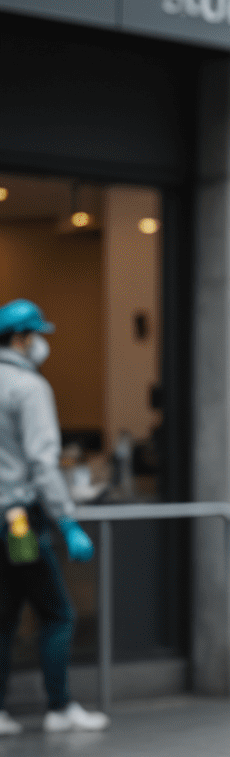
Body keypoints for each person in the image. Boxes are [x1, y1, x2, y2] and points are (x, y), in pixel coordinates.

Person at [0, 298, 109, 735]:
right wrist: (67, 521)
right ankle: (60, 707)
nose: (42, 344)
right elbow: (43, 463)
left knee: (4, 615)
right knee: (58, 614)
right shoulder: (29, 388)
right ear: (22, 337)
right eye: (38, 334)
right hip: (20, 522)